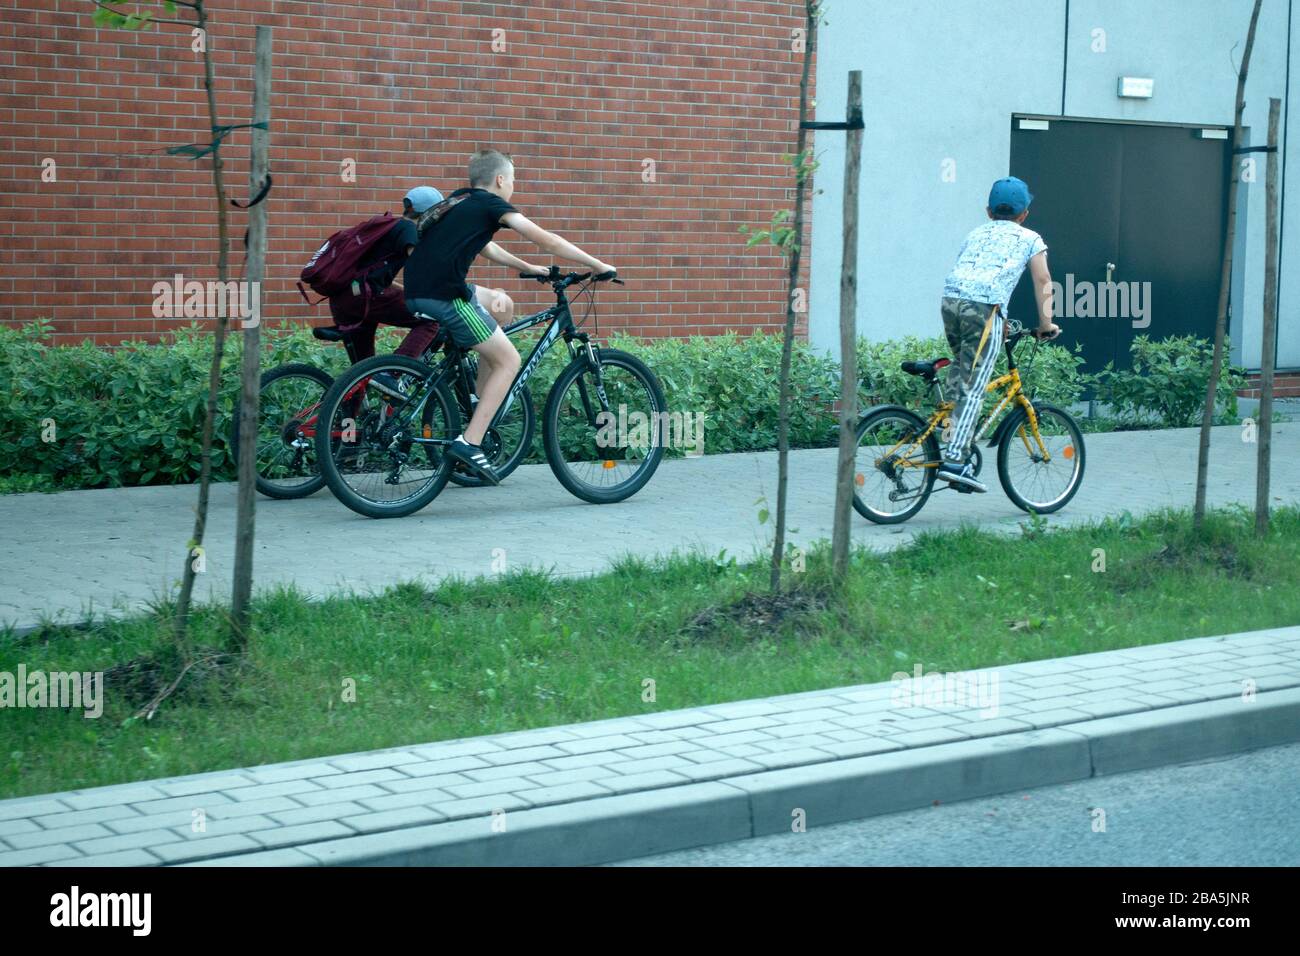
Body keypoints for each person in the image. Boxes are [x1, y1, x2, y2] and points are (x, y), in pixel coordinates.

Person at [400, 148, 617, 483]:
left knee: (499, 307)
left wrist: (529, 268)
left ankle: (477, 398)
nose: (513, 186)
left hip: (416, 289)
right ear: (500, 179)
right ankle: (470, 442)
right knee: (509, 361)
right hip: (445, 295)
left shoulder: (460, 201)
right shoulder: (492, 205)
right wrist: (597, 265)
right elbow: (546, 239)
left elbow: (487, 247)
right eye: (513, 180)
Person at [937, 176, 1061, 493]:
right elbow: (1042, 278)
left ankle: (945, 435)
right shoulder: (1030, 238)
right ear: (1024, 214)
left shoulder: (975, 234)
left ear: (989, 212)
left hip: (951, 304)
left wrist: (999, 318)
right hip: (983, 310)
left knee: (961, 373)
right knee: (974, 386)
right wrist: (1046, 324)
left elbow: (971, 276)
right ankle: (954, 461)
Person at [327, 186, 443, 362]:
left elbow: (372, 274)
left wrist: (405, 290)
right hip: (365, 298)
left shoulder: (387, 226)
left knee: (362, 372)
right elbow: (420, 263)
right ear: (429, 212)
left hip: (345, 298)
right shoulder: (408, 229)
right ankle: (395, 373)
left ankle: (359, 388)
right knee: (431, 319)